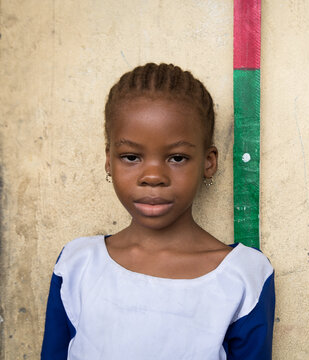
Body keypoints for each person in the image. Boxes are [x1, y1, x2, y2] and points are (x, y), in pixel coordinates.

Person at [41, 63, 275, 359]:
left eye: (177, 157)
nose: (153, 176)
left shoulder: (243, 277)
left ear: (208, 162)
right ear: (108, 161)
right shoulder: (77, 266)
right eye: (130, 157)